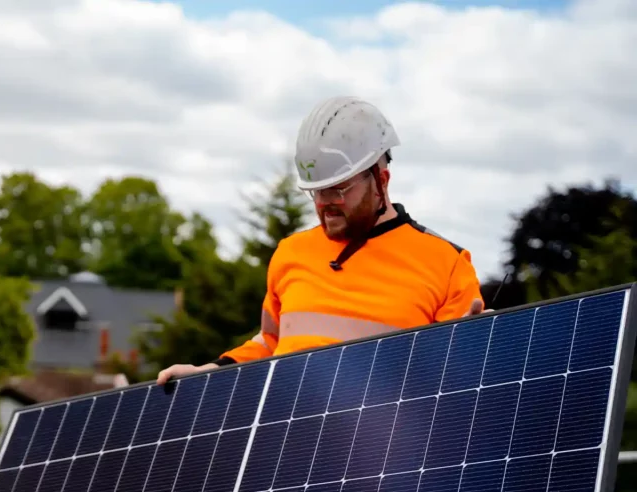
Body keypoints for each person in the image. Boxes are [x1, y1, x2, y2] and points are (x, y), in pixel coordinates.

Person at [156, 96, 486, 385]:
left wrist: (480, 349)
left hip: (383, 446)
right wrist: (211, 372)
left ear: (380, 179)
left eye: (338, 189)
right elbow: (271, 342)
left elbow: (453, 383)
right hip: (285, 442)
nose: (324, 203)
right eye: (316, 191)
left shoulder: (447, 264)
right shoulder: (291, 253)